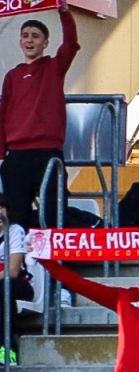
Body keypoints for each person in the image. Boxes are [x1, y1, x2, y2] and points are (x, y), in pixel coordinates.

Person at [0, 0, 78, 229]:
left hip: (47, 152)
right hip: (16, 155)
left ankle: (53, 262)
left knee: (54, 212)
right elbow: (3, 113)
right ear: (20, 41)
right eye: (25, 35)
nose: (30, 40)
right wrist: (2, 152)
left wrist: (64, 12)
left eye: (35, 36)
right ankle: (20, 264)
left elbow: (71, 45)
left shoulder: (54, 67)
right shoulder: (12, 76)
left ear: (45, 42)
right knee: (16, 215)